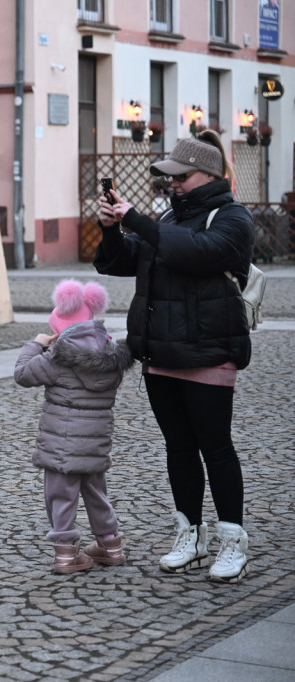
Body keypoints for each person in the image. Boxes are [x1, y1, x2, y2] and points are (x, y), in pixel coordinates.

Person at [95, 130, 254, 583]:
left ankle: (232, 541)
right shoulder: (167, 216)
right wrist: (111, 230)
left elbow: (196, 253)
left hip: (208, 351)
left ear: (206, 174)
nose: (173, 185)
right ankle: (191, 535)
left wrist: (140, 222)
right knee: (179, 448)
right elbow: (123, 260)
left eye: (180, 177)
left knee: (216, 448)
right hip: (161, 353)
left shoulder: (231, 217)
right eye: (169, 178)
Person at [13, 279, 135, 574]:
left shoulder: (57, 356)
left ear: (60, 328)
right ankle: (111, 545)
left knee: (61, 496)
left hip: (62, 445)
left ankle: (67, 555)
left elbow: (22, 374)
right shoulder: (111, 355)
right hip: (95, 442)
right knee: (96, 494)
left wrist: (37, 344)